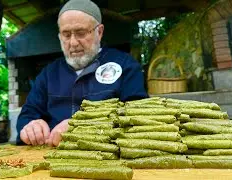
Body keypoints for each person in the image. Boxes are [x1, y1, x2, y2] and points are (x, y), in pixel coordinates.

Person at [16, 0, 148, 146]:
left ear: (100, 32)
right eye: (66, 35)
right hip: (52, 157)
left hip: (105, 158)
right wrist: (30, 127)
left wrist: (83, 126)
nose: (73, 43)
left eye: (81, 33)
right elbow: (27, 115)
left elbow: (139, 117)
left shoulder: (126, 66)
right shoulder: (48, 73)